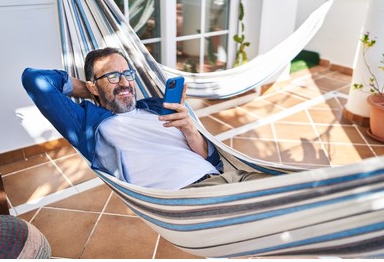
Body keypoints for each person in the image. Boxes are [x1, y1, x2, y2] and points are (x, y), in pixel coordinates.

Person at [21, 47, 271, 190]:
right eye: (112, 76)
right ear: (92, 87)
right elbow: (35, 79)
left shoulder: (155, 106)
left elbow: (212, 159)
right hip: (189, 197)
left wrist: (190, 130)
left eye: (127, 74)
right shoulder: (88, 123)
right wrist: (93, 91)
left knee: (299, 188)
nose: (124, 82)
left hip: (231, 177)